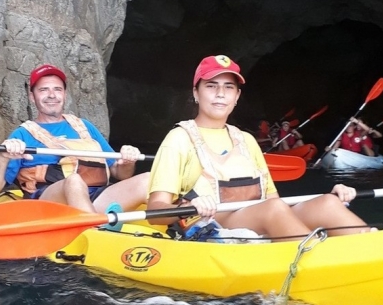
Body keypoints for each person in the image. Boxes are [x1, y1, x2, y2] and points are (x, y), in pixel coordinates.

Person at [146, 55, 368, 238]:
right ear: (196, 93)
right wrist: (193, 206)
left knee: (327, 203)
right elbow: (155, 212)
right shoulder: (179, 138)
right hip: (211, 228)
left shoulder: (246, 140)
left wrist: (323, 198)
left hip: (260, 218)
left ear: (237, 96)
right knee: (272, 210)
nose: (220, 94)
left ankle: (371, 248)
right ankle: (319, 261)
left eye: (228, 87)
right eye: (211, 86)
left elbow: (273, 199)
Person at [0, 64, 149, 212]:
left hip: (96, 198)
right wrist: (3, 157)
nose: (51, 95)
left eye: (57, 89)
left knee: (148, 179)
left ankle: (94, 219)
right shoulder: (22, 135)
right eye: (43, 90)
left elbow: (120, 174)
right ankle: (93, 228)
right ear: (32, 97)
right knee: (74, 182)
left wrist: (128, 162)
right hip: (48, 202)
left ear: (64, 94)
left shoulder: (84, 127)